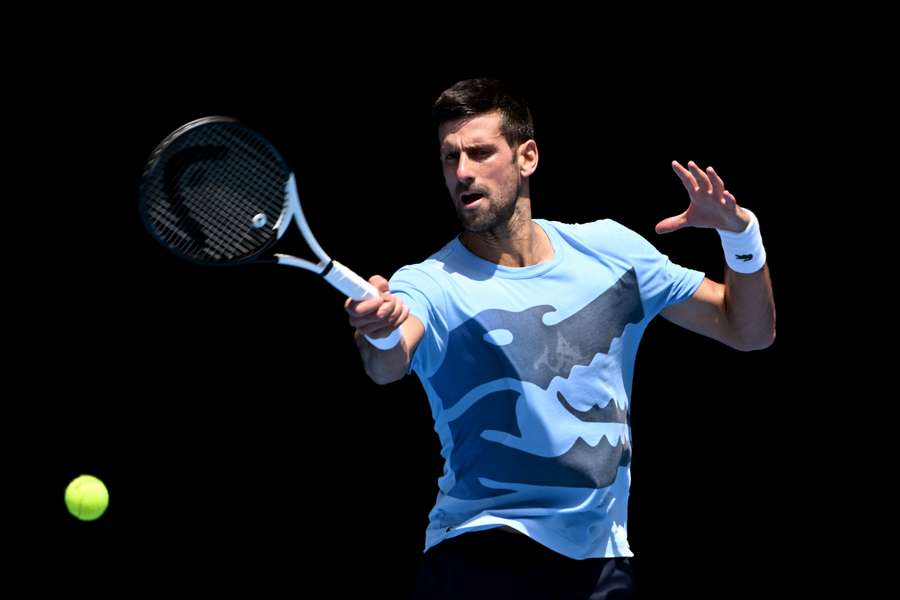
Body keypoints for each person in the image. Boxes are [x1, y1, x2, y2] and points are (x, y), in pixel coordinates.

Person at [344, 78, 776, 599]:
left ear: (527, 157)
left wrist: (740, 236)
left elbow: (748, 331)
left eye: (480, 152)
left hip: (599, 559)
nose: (463, 172)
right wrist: (381, 332)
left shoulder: (612, 254)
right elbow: (388, 363)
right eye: (449, 157)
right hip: (478, 550)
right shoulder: (430, 282)